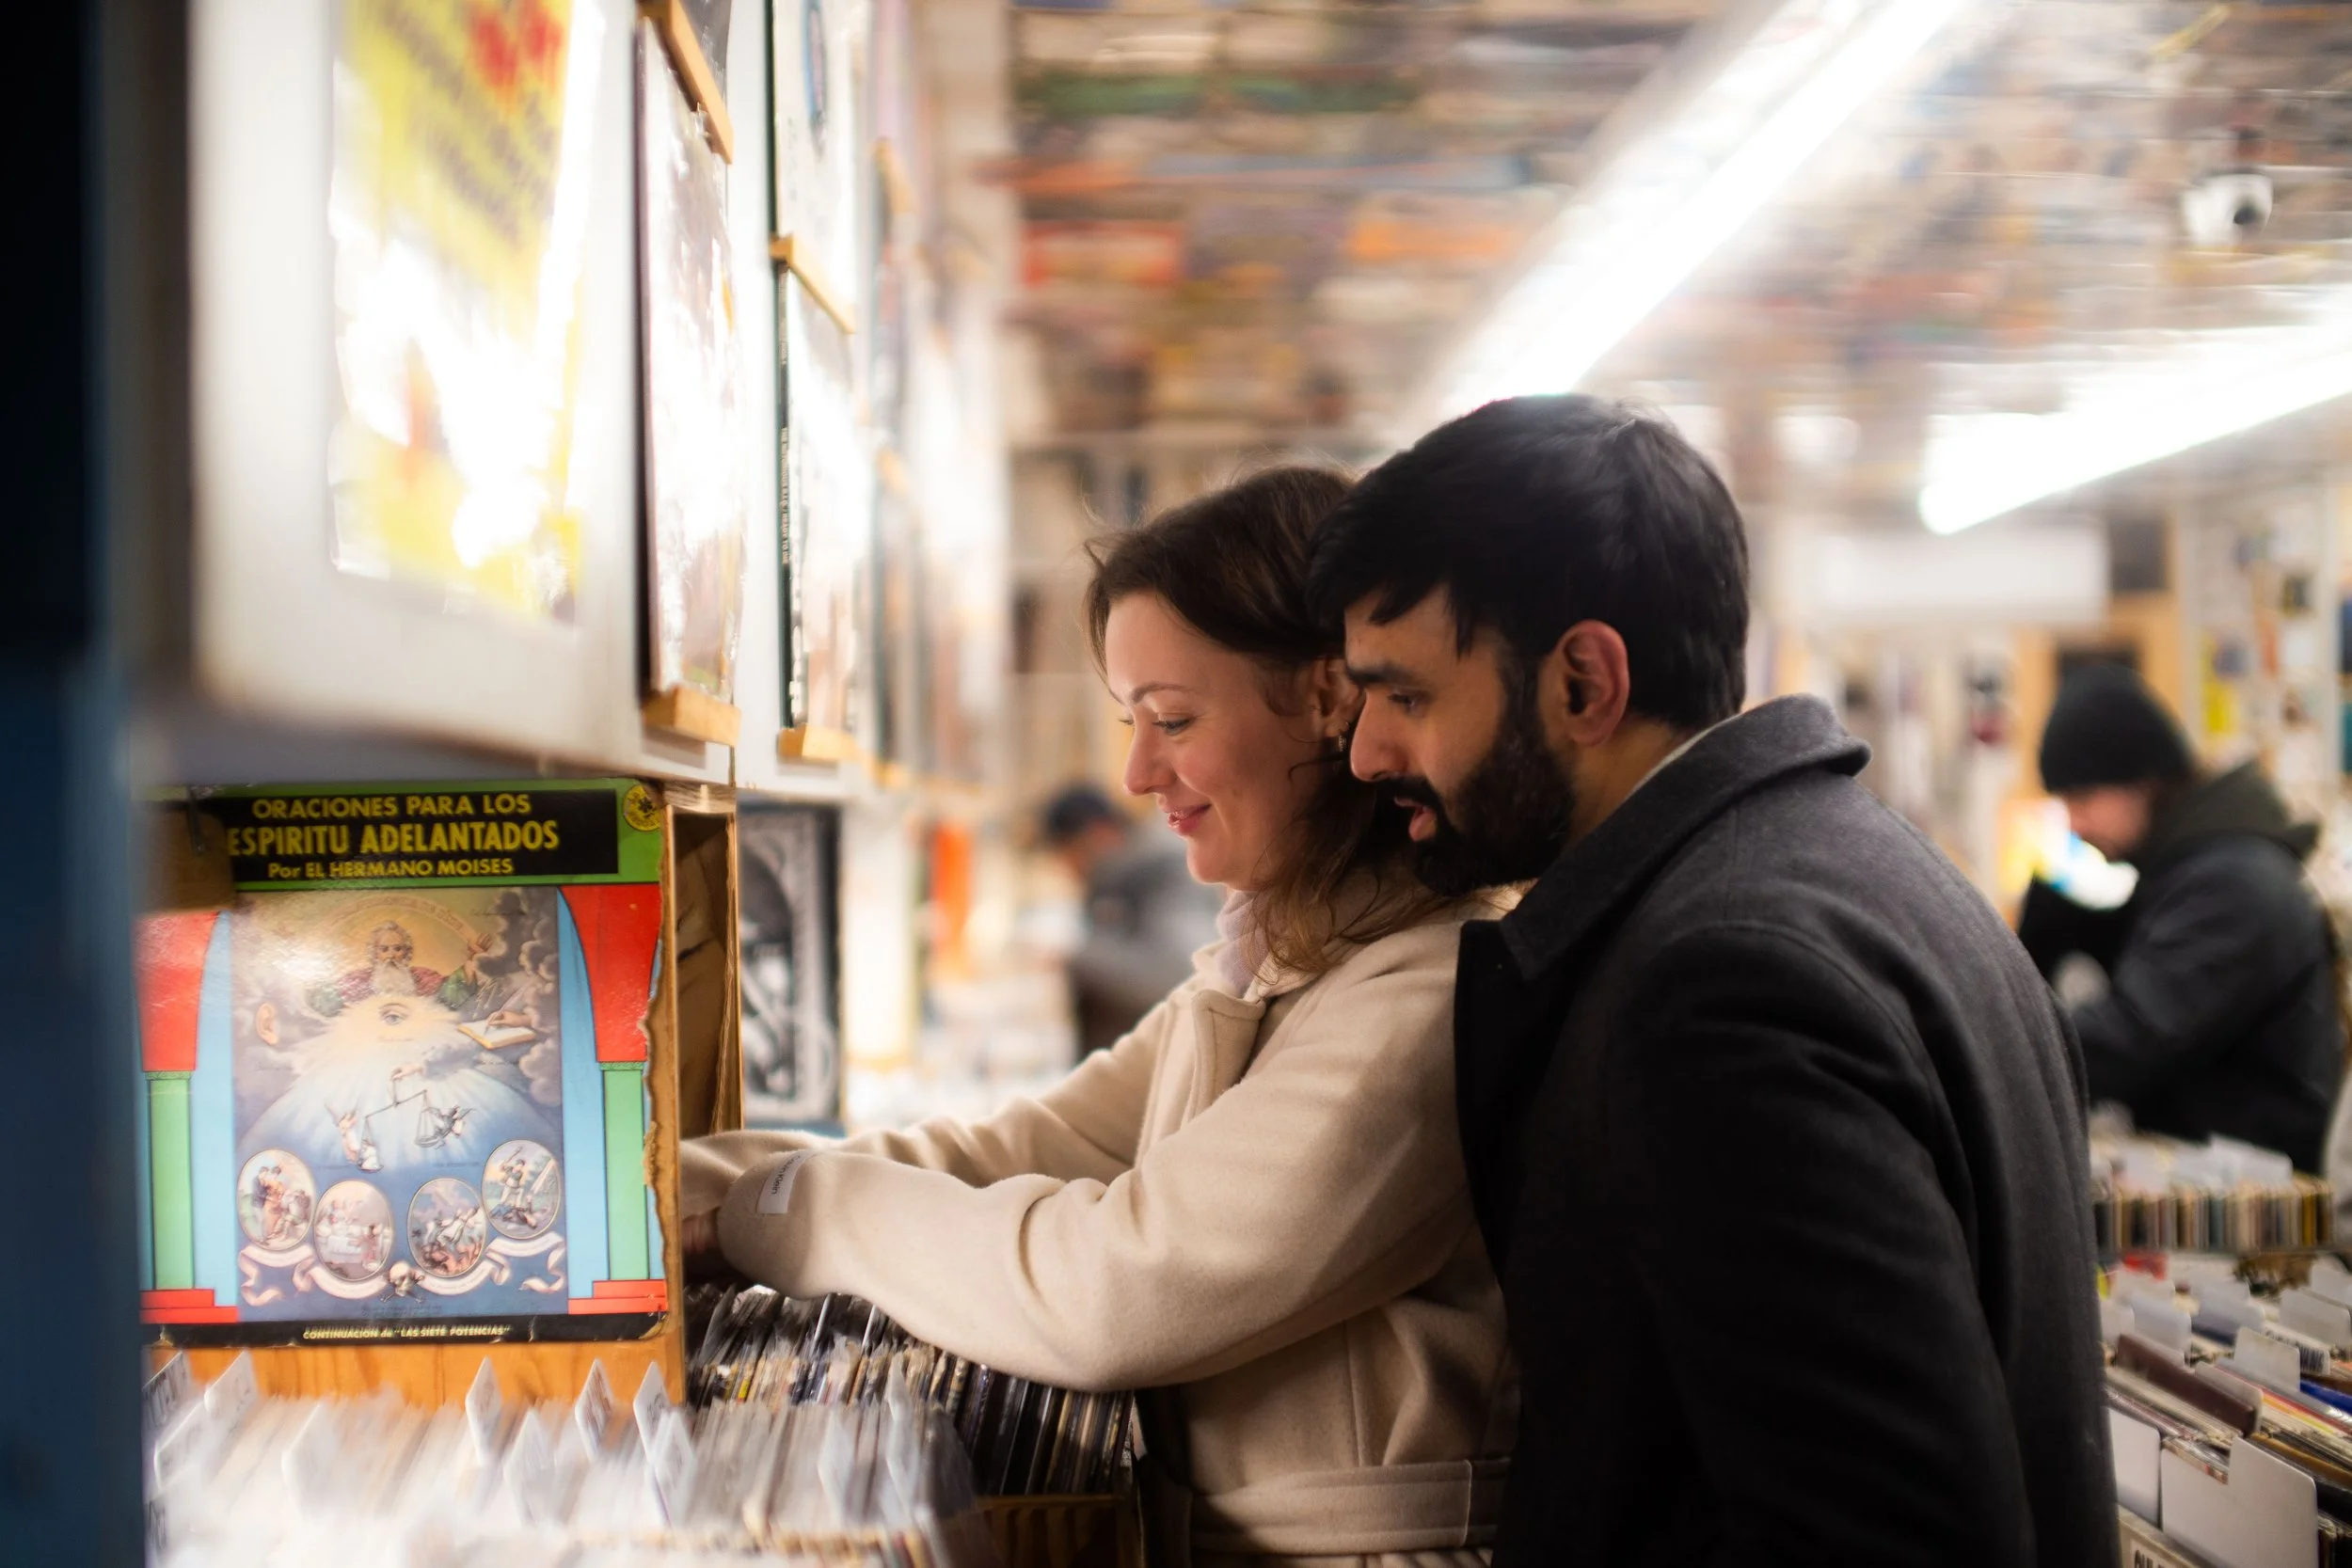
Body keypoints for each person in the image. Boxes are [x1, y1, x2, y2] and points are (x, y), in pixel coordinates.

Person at [1306, 394, 2114, 1567]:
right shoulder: (1878, 878)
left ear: (1583, 681)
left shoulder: (1715, 987)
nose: (1370, 751)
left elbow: (1887, 1534)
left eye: (1408, 696)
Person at [680, 467, 1517, 1567]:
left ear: (1325, 698)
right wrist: (685, 1186)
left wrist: (788, 1209)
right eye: (1132, 721)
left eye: (1171, 718)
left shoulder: (1423, 995)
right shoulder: (1283, 963)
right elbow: (1018, 1148)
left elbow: (1113, 1286)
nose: (1135, 771)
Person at [2020, 662, 2342, 1172]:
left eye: (2082, 799)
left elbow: (2134, 1034)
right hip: (2230, 1169)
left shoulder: (2232, 884)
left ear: (2143, 782)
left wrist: (2000, 1050)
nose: (2074, 824)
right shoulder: (2202, 868)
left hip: (2259, 1195)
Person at [1038, 782, 1222, 1054]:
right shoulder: (1118, 879)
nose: (1067, 870)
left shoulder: (1161, 871)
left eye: (1067, 856)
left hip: (1168, 1060)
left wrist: (1077, 958)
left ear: (1098, 834)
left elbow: (1173, 973)